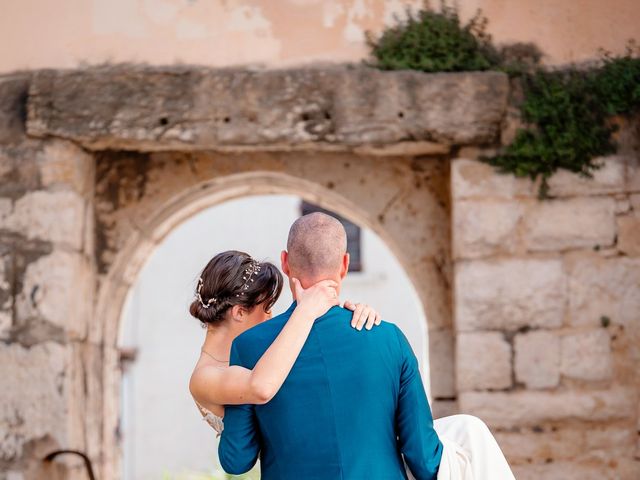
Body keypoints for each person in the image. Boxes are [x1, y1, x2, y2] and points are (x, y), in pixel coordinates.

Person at [218, 213, 516, 480]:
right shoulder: (388, 338)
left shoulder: (249, 346)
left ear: (285, 263)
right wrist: (466, 444)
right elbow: (425, 460)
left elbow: (236, 460)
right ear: (345, 264)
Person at [189, 250, 382, 437]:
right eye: (266, 308)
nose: (271, 316)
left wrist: (353, 317)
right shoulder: (203, 378)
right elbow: (261, 387)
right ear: (239, 313)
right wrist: (306, 309)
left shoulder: (261, 348)